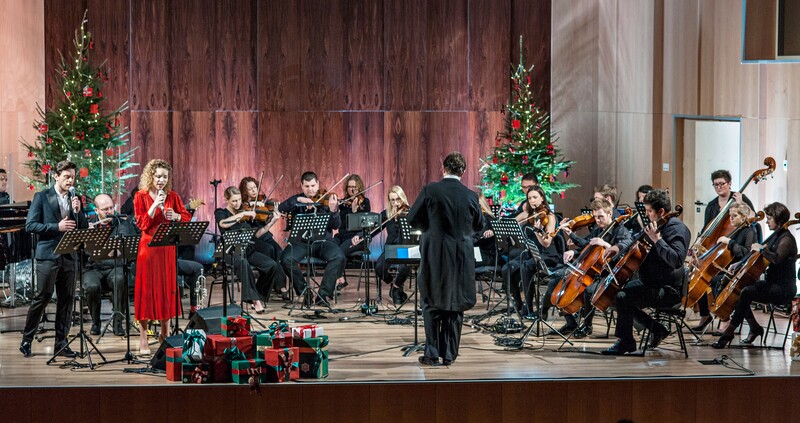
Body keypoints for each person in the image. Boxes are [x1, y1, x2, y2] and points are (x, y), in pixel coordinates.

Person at [408, 152, 484, 366]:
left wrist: (429, 229)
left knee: (431, 301)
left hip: (435, 253)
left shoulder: (430, 190)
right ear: (463, 171)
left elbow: (412, 218)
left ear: (444, 168)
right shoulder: (470, 196)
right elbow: (479, 224)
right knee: (455, 303)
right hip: (461, 255)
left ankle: (432, 354)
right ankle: (449, 354)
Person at [602, 189, 691, 355]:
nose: (647, 215)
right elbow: (633, 239)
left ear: (661, 211)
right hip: (650, 283)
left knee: (623, 297)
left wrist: (658, 240)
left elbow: (676, 260)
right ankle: (656, 329)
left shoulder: (678, 229)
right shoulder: (657, 225)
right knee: (614, 294)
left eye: (649, 211)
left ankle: (626, 342)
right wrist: (618, 247)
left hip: (667, 289)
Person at [20, 160, 88, 358]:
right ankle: (27, 340)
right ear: (56, 176)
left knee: (67, 300)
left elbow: (82, 227)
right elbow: (30, 226)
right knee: (42, 297)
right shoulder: (42, 197)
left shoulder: (76, 199)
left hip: (69, 255)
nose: (70, 180)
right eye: (66, 176)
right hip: (48, 255)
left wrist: (78, 212)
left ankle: (61, 343)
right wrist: (56, 227)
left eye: (72, 177)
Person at [712, 202, 797, 348]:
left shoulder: (787, 239)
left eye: (769, 218)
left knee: (746, 292)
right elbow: (756, 256)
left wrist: (762, 250)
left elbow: (776, 259)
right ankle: (754, 328)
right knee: (740, 290)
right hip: (771, 283)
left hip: (783, 288)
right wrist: (739, 264)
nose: (767, 221)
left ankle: (729, 333)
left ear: (778, 219)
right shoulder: (775, 236)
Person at [544, 198, 632, 338]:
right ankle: (571, 323)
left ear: (610, 214)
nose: (597, 220)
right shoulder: (598, 230)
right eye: (595, 217)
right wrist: (573, 252)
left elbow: (626, 249)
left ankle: (587, 325)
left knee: (588, 290)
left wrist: (605, 244)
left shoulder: (621, 230)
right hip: (591, 271)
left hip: (608, 274)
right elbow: (587, 245)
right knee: (555, 280)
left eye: (600, 216)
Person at [133, 159, 192, 354]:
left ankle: (165, 334)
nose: (161, 180)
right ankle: (143, 337)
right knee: (147, 291)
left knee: (167, 290)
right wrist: (154, 207)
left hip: (167, 248)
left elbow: (186, 217)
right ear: (150, 176)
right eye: (158, 176)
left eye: (164, 177)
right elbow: (141, 224)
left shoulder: (173, 196)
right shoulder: (140, 196)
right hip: (148, 249)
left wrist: (176, 216)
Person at [215, 186, 286, 313]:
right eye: (234, 201)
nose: (237, 203)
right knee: (243, 263)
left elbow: (257, 234)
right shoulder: (221, 212)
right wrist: (242, 214)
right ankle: (255, 300)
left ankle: (258, 295)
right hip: (230, 251)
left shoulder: (245, 213)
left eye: (239, 200)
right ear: (226, 200)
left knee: (272, 265)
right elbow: (223, 224)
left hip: (247, 249)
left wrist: (272, 222)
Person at [278, 171, 344, 305]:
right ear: (302, 186)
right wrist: (298, 200)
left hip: (323, 242)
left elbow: (336, 225)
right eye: (307, 186)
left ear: (318, 184)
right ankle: (304, 293)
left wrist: (333, 211)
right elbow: (281, 208)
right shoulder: (297, 200)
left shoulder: (326, 200)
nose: (311, 189)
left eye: (313, 186)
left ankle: (323, 295)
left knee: (339, 257)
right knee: (285, 259)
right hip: (300, 243)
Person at [692, 203, 756, 331]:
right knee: (704, 279)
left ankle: (724, 318)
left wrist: (729, 242)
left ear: (744, 217)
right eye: (730, 215)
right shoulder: (734, 231)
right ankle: (705, 315)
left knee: (715, 281)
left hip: (740, 272)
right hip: (728, 269)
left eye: (734, 216)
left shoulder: (749, 232)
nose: (731, 218)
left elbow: (747, 253)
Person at [83, 194, 136, 336]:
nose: (109, 212)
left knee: (120, 279)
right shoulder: (89, 225)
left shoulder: (120, 223)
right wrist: (89, 236)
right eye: (105, 209)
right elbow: (85, 252)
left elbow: (126, 245)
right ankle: (96, 322)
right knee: (91, 286)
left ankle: (118, 322)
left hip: (114, 267)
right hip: (94, 268)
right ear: (96, 210)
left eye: (111, 208)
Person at [502, 185, 558, 317]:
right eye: (529, 198)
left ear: (542, 198)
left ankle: (529, 308)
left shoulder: (549, 217)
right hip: (531, 253)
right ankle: (518, 303)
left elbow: (547, 243)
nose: (532, 200)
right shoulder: (528, 214)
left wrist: (538, 231)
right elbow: (510, 223)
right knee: (506, 268)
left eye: (535, 197)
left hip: (547, 255)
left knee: (526, 266)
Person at [239, 176, 289, 298]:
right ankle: (278, 286)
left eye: (255, 187)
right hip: (253, 238)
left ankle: (278, 285)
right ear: (244, 191)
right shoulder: (241, 205)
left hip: (265, 235)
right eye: (250, 189)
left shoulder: (262, 202)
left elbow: (266, 221)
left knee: (279, 251)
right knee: (269, 250)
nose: (254, 191)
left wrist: (272, 215)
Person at [373, 185, 412, 305]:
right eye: (392, 200)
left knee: (405, 266)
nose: (396, 203)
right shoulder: (387, 214)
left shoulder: (409, 212)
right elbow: (374, 228)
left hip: (405, 248)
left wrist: (403, 217)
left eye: (398, 199)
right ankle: (393, 285)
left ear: (403, 198)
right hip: (390, 248)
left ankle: (396, 289)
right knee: (379, 268)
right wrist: (360, 236)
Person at [335, 174, 372, 257]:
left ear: (359, 188)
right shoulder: (343, 203)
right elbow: (341, 225)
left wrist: (354, 212)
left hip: (357, 236)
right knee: (330, 248)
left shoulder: (364, 202)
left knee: (339, 253)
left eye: (354, 187)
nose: (352, 189)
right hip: (342, 236)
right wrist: (335, 209)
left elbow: (364, 225)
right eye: (349, 187)